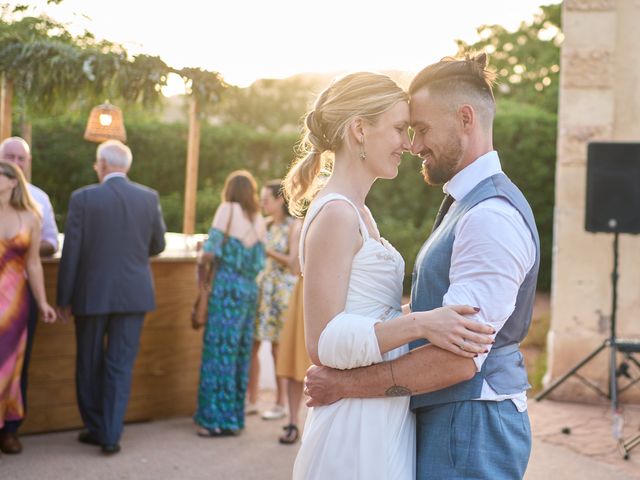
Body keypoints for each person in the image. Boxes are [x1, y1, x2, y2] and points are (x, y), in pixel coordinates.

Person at [304, 54, 540, 479]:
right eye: (403, 130)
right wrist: (420, 322)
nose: (413, 144)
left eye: (420, 129)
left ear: (465, 119)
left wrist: (345, 385)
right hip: (433, 417)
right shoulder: (464, 205)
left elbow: (459, 358)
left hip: (469, 424)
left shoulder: (489, 215)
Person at [56, 140, 166, 455]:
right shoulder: (149, 198)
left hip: (91, 295)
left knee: (89, 363)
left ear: (102, 165)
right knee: (120, 365)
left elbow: (71, 252)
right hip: (134, 295)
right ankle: (111, 435)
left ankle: (96, 427)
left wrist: (63, 297)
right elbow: (157, 245)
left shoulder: (83, 198)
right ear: (126, 166)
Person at [194, 170, 266, 437]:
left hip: (226, 289)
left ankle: (211, 419)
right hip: (249, 291)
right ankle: (233, 420)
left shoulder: (227, 209)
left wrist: (200, 254)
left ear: (230, 190)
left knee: (217, 352)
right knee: (238, 353)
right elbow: (260, 262)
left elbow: (210, 251)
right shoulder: (259, 220)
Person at [0, 137, 59, 454]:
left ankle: (10, 429)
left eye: (16, 159)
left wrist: (42, 302)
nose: (10, 163)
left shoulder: (35, 209)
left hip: (18, 301)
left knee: (15, 364)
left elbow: (36, 261)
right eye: (5, 158)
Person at [247, 180, 300, 420]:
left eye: (266, 199)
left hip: (281, 292)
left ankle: (280, 403)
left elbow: (293, 263)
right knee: (253, 345)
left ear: (280, 200)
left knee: (277, 349)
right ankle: (252, 400)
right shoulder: (264, 225)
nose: (262, 203)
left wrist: (266, 250)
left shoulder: (293, 226)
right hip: (263, 290)